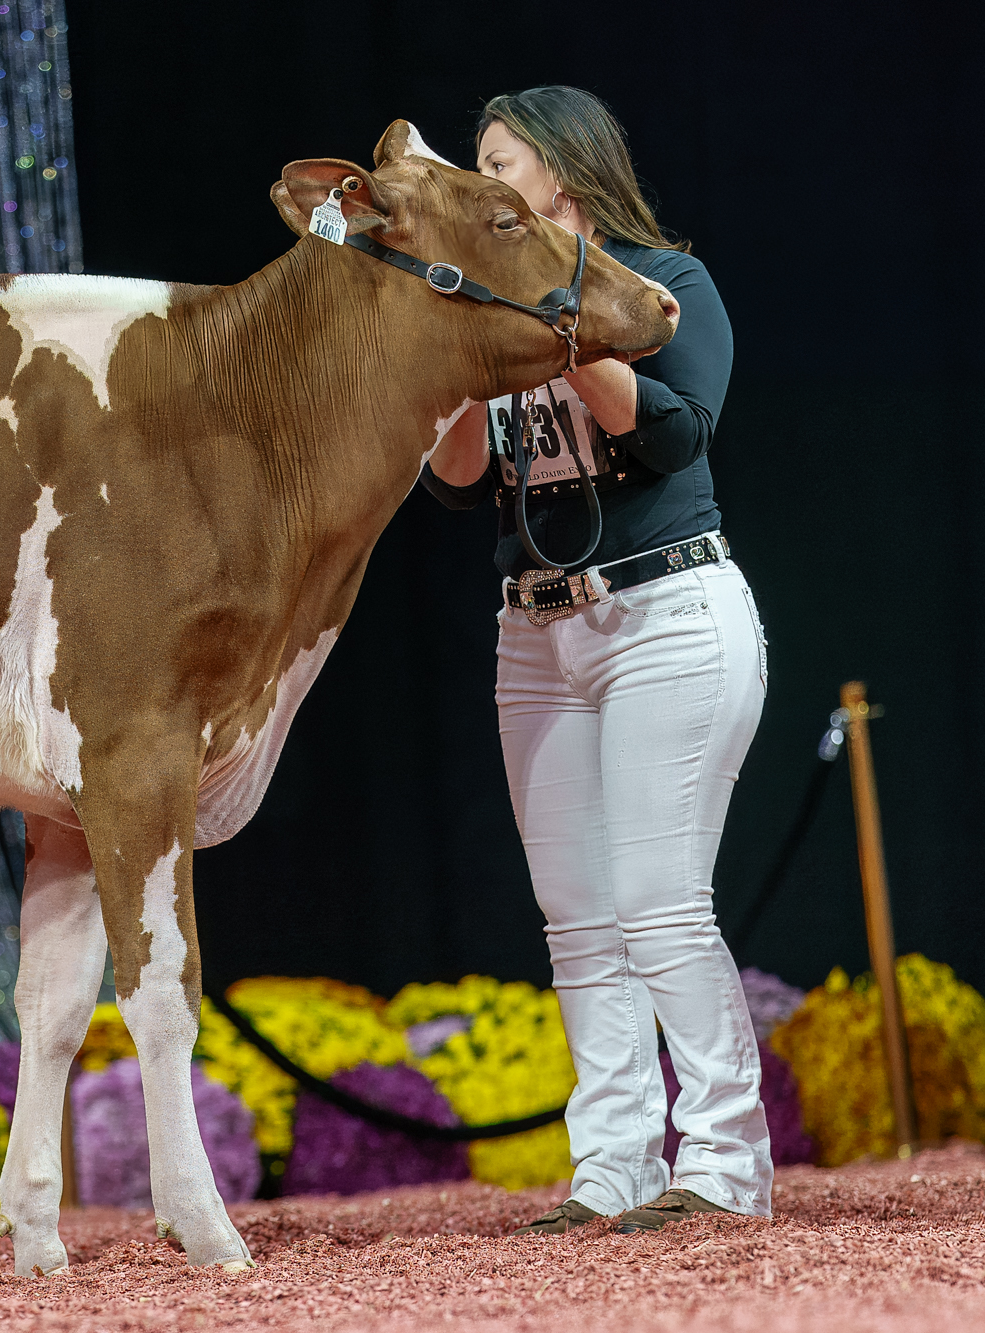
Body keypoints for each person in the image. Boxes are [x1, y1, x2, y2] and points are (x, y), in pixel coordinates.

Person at [422, 86, 771, 1235]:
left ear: (560, 173)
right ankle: (609, 1167)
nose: (480, 180)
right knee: (575, 920)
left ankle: (722, 1163)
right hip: (534, 630)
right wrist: (464, 355)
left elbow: (671, 432)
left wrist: (562, 323)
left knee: (658, 904)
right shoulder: (487, 307)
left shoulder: (664, 284)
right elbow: (459, 479)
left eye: (497, 162)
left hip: (663, 610)